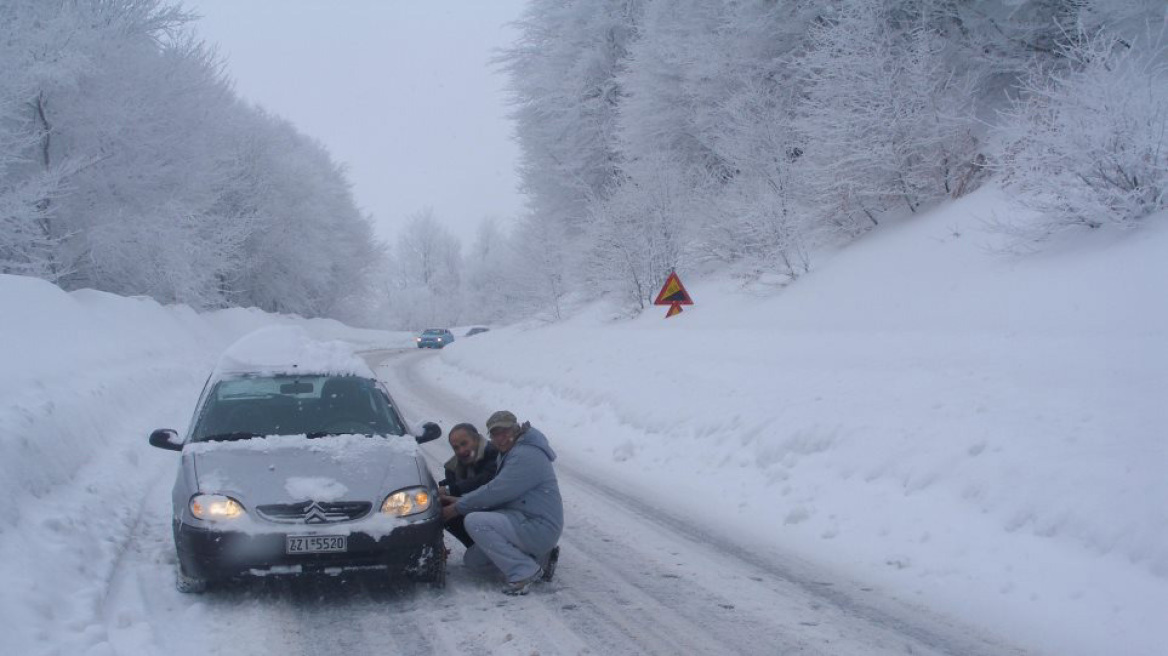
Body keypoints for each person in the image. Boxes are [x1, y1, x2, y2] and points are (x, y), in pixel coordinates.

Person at [441, 410, 563, 595]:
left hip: (538, 525)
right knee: (474, 561)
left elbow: (496, 491)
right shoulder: (509, 452)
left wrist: (458, 507)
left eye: (505, 432)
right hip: (523, 520)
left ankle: (524, 571)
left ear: (516, 429)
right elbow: (499, 494)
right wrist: (460, 500)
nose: (500, 438)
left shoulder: (526, 455)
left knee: (475, 522)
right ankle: (540, 560)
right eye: (495, 434)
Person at [437, 422, 499, 547]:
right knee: (436, 506)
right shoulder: (453, 467)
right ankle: (475, 547)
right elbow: (453, 485)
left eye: (464, 443)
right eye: (456, 447)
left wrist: (449, 490)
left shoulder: (494, 453)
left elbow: (483, 480)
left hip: (500, 511)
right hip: (477, 507)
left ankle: (490, 548)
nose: (461, 450)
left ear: (476, 439)